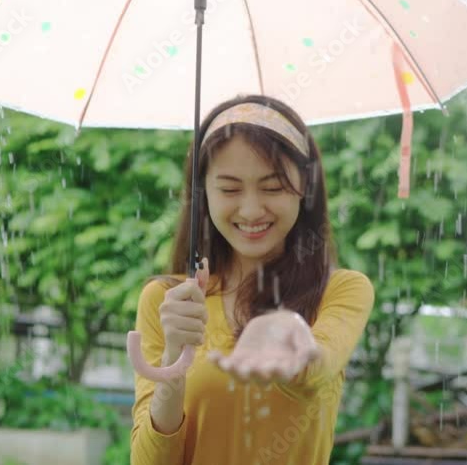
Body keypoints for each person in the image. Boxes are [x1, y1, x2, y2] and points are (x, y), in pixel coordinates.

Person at [130, 94, 375, 465]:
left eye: (272, 187)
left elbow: (318, 364)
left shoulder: (340, 291)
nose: (250, 210)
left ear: (305, 188)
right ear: (203, 194)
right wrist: (173, 363)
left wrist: (293, 340)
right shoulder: (167, 300)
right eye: (229, 189)